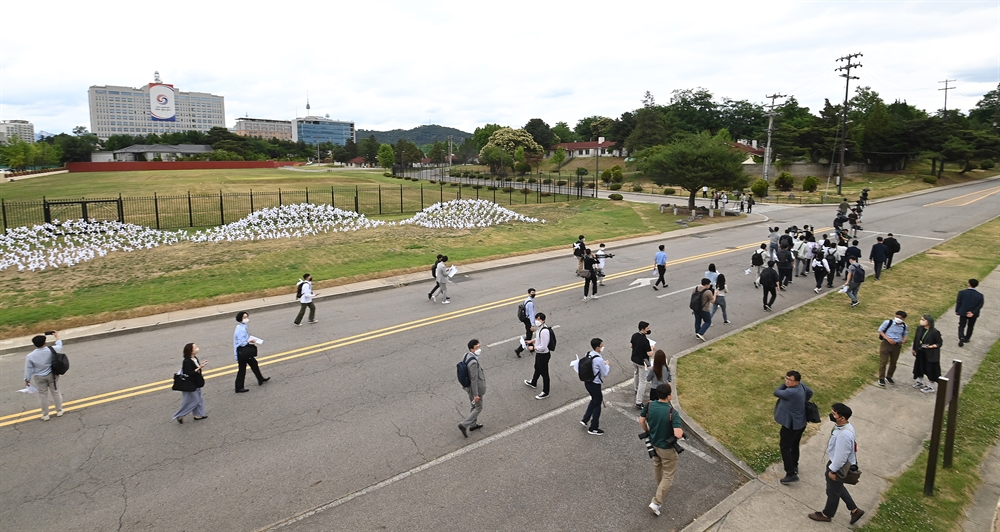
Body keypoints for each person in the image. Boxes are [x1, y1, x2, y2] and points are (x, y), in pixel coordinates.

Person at [808, 403, 865, 525]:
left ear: (842, 418)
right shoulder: (844, 427)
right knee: (837, 487)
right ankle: (854, 510)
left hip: (837, 466)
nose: (831, 415)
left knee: (832, 491)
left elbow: (841, 457)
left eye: (834, 414)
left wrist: (832, 471)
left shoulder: (844, 435)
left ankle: (826, 514)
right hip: (837, 464)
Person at [640, 383, 684, 517]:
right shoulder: (672, 413)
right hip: (667, 448)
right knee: (669, 474)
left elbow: (641, 420)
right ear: (669, 396)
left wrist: (647, 430)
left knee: (657, 466)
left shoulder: (649, 406)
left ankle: (661, 487)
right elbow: (678, 434)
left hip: (654, 443)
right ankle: (656, 502)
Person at [774, 370, 814, 484]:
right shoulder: (802, 387)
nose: (787, 381)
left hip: (790, 425)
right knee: (794, 444)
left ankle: (791, 473)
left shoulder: (790, 393)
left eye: (790, 380)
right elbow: (810, 392)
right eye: (786, 379)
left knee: (785, 447)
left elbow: (777, 392)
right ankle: (794, 465)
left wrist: (784, 385)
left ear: (796, 382)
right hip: (800, 423)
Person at [23, 331, 65, 421]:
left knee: (43, 395)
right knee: (56, 392)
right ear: (44, 343)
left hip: (39, 377)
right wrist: (56, 336)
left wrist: (27, 379)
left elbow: (28, 368)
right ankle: (59, 410)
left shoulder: (30, 356)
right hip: (52, 375)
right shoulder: (51, 350)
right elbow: (59, 346)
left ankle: (45, 414)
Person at [580, 338, 610, 435]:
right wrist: (607, 365)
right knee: (597, 404)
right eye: (601, 346)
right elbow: (605, 373)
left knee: (594, 399)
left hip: (587, 382)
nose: (602, 347)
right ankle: (593, 427)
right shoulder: (599, 359)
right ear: (597, 348)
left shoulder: (588, 354)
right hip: (595, 384)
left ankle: (585, 418)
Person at [234, 311, 269, 393]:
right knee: (242, 370)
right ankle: (238, 387)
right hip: (243, 351)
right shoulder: (240, 330)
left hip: (243, 351)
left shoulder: (242, 327)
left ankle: (260, 379)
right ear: (240, 319)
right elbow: (242, 343)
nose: (246, 319)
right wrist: (250, 340)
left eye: (247, 317)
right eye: (244, 317)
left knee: (254, 364)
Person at [172, 343, 207, 423]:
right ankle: (180, 415)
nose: (197, 348)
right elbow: (188, 373)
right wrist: (199, 368)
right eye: (195, 348)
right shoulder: (187, 361)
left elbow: (196, 368)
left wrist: (200, 365)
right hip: (190, 383)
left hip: (196, 382)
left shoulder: (194, 358)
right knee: (195, 400)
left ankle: (198, 415)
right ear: (191, 351)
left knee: (199, 398)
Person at [458, 339, 486, 437]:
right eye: (477, 347)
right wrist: (476, 394)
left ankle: (473, 424)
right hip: (474, 389)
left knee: (474, 406)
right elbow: (474, 379)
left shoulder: (466, 355)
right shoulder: (473, 362)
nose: (479, 349)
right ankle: (464, 424)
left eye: (479, 346)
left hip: (468, 387)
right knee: (479, 407)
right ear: (471, 349)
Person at [523, 313, 552, 399]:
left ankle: (546, 392)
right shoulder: (540, 329)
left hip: (543, 355)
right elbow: (538, 339)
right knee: (537, 367)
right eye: (536, 319)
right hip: (540, 354)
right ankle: (533, 382)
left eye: (539, 319)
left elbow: (543, 347)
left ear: (543, 321)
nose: (537, 321)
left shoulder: (544, 331)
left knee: (544, 373)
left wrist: (533, 348)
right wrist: (531, 341)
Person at [876, 310, 909, 387]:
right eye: (896, 316)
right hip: (886, 344)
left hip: (897, 345)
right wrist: (888, 339)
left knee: (893, 362)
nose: (897, 318)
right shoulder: (888, 323)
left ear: (903, 319)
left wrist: (904, 340)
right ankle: (881, 378)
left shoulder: (904, 326)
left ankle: (889, 376)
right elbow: (880, 331)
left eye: (900, 317)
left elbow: (905, 334)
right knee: (883, 361)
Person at [911, 315, 942, 394]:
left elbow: (939, 343)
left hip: (930, 354)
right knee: (920, 367)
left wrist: (931, 346)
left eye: (923, 320)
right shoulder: (919, 328)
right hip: (921, 352)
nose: (921, 321)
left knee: (930, 369)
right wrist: (914, 349)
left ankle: (930, 386)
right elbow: (916, 339)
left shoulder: (935, 332)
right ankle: (920, 381)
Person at [630, 321, 654, 409]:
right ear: (643, 329)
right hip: (642, 361)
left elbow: (631, 345)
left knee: (636, 374)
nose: (649, 329)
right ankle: (639, 402)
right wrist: (652, 348)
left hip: (634, 359)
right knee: (643, 381)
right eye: (647, 328)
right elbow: (649, 354)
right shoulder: (645, 341)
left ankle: (636, 389)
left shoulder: (635, 335)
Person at [955, 278, 984, 347]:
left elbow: (959, 302)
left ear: (969, 284)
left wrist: (957, 310)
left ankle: (961, 336)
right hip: (973, 314)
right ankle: (967, 338)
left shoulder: (962, 292)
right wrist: (973, 312)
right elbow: (980, 305)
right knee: (970, 326)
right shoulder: (980, 295)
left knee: (962, 325)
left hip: (963, 311)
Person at [513, 288, 537, 358]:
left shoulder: (527, 299)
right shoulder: (530, 303)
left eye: (534, 292)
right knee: (529, 336)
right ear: (529, 293)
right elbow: (531, 314)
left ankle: (531, 347)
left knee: (528, 333)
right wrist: (532, 325)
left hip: (526, 319)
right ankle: (519, 349)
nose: (533, 294)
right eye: (532, 293)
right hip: (528, 320)